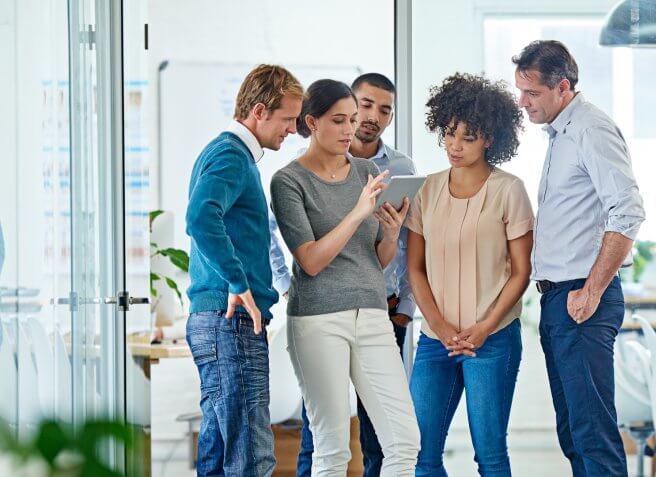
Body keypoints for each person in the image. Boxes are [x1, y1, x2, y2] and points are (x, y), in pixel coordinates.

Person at [271, 79, 420, 477]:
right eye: (339, 120)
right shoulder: (288, 181)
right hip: (319, 320)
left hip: (373, 315)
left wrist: (390, 231)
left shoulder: (366, 170)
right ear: (311, 122)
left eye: (353, 120)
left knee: (405, 441)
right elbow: (311, 260)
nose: (350, 129)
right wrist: (357, 212)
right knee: (333, 448)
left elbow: (376, 259)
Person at [513, 40, 646, 476]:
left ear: (562, 87)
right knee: (573, 432)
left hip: (581, 298)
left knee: (592, 434)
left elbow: (627, 211)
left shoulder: (590, 128)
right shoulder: (561, 133)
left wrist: (591, 290)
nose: (523, 102)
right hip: (559, 299)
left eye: (531, 93)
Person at [406, 73, 533, 476]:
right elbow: (415, 268)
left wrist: (484, 327)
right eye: (449, 133)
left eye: (468, 136)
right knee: (420, 456)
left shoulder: (509, 189)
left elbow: (521, 272)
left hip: (492, 341)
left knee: (490, 456)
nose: (455, 146)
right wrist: (440, 327)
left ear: (490, 139)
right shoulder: (425, 189)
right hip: (434, 341)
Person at [184, 64, 303, 477]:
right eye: (288, 118)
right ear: (259, 110)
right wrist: (239, 281)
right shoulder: (232, 156)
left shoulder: (228, 154)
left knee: (220, 456)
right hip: (229, 321)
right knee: (250, 457)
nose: (293, 128)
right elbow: (200, 217)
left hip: (218, 320)